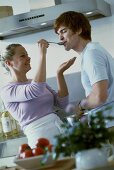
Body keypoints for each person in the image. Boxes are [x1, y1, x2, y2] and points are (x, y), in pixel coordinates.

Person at [0, 39, 76, 148]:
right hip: (40, 139)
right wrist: (42, 54)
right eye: (23, 56)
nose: (28, 58)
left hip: (61, 131)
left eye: (27, 54)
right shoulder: (7, 90)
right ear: (9, 63)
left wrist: (59, 74)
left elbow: (62, 103)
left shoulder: (35, 82)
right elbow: (35, 89)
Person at [54, 11, 114, 130]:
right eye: (58, 33)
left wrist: (81, 105)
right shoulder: (91, 52)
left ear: (78, 30)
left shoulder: (92, 54)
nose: (60, 37)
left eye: (63, 31)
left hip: (109, 124)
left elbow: (99, 96)